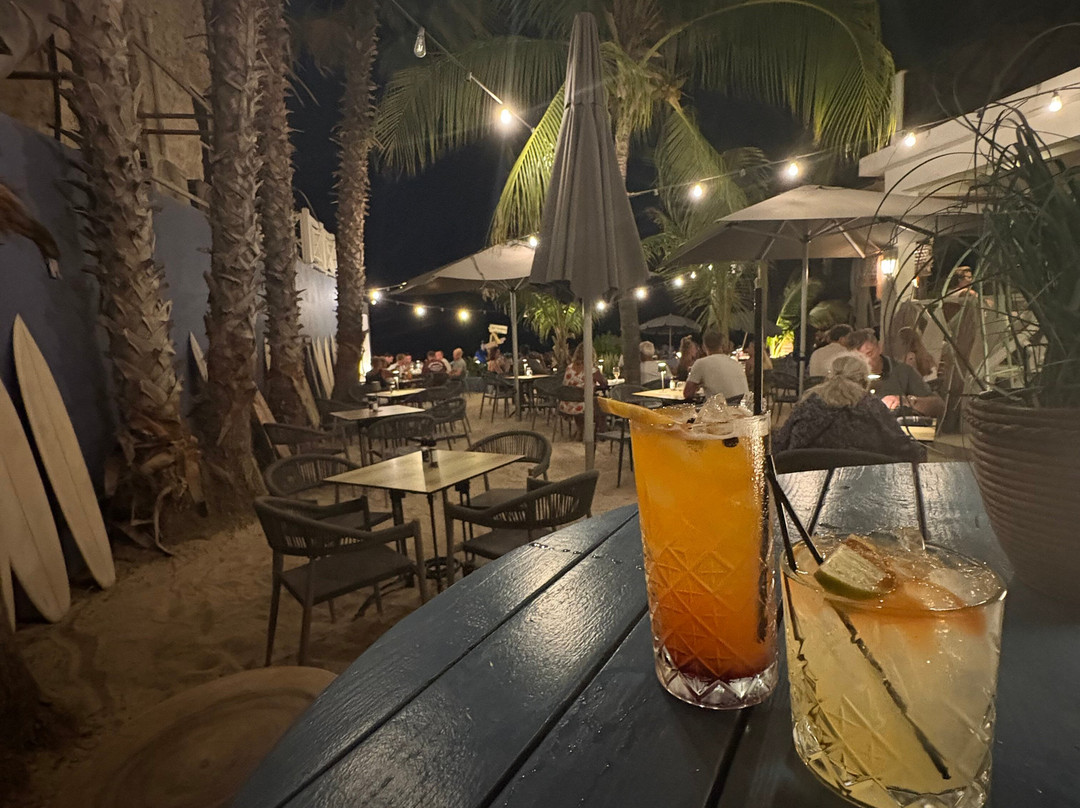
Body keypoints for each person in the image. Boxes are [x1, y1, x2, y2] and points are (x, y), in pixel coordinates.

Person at [773, 354, 927, 461]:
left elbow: (780, 444)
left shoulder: (809, 402)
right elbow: (903, 447)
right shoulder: (871, 405)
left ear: (829, 377)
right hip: (863, 489)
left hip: (804, 489)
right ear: (864, 381)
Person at [841, 328, 945, 418]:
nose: (866, 361)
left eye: (869, 353)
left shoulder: (903, 372)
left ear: (879, 348)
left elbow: (938, 406)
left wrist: (906, 401)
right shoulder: (845, 377)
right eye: (859, 358)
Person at [684, 330, 749, 402]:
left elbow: (687, 394)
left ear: (703, 347)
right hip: (743, 406)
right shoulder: (736, 363)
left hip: (722, 407)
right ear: (722, 346)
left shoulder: (701, 363)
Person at [559, 343, 608, 437]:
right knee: (601, 403)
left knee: (582, 398)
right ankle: (601, 431)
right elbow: (603, 383)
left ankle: (580, 429)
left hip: (565, 404)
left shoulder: (569, 367)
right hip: (581, 405)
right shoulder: (591, 369)